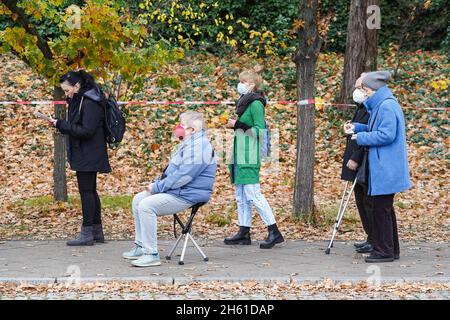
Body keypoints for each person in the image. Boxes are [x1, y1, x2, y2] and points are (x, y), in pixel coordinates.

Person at [123, 111, 216, 267]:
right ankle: (141, 246)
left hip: (188, 194)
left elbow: (183, 176)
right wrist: (156, 184)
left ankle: (151, 254)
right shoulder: (189, 143)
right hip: (179, 190)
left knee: (146, 206)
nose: (178, 128)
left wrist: (158, 187)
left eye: (182, 125)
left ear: (192, 129)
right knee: (138, 199)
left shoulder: (200, 147)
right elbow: (172, 172)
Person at [345, 71, 412, 263]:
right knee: (385, 209)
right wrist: (358, 128)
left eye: (362, 89)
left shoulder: (386, 106)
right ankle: (391, 249)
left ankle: (384, 251)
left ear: (370, 89)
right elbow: (377, 129)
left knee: (381, 210)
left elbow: (386, 135)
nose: (360, 93)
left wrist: (362, 137)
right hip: (385, 166)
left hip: (386, 167)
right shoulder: (382, 105)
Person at [224, 68, 284, 249]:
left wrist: (238, 125)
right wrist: (237, 126)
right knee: (241, 196)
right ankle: (244, 231)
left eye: (243, 82)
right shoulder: (244, 103)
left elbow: (260, 131)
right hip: (239, 155)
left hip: (249, 156)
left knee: (253, 195)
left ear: (251, 85)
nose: (239, 85)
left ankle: (274, 231)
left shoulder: (256, 104)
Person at [50, 70, 111, 246]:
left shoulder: (90, 101)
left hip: (89, 152)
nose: (66, 94)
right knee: (90, 191)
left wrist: (61, 125)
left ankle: (87, 233)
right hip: (86, 151)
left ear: (77, 86)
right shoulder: (81, 98)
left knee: (87, 192)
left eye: (67, 90)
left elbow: (86, 131)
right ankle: (96, 232)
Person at [341, 74, 373, 254]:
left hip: (361, 158)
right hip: (355, 155)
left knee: (368, 200)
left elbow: (370, 135)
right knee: (360, 199)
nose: (356, 91)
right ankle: (370, 236)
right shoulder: (361, 106)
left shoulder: (371, 108)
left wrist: (356, 157)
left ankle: (374, 237)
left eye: (360, 87)